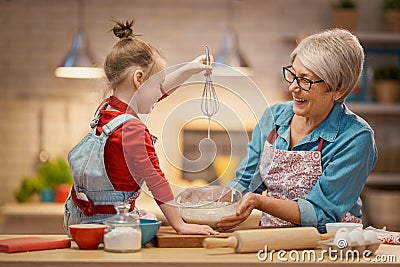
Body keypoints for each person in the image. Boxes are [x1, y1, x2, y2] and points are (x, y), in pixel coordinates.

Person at [64, 19, 218, 235]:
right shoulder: (133, 130)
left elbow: (155, 92)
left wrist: (189, 69)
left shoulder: (106, 110)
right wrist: (180, 224)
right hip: (112, 227)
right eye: (157, 84)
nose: (160, 94)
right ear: (138, 78)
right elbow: (156, 180)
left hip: (82, 222)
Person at [218, 28, 378, 233]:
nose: (293, 87)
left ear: (338, 89)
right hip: (269, 240)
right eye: (293, 75)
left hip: (327, 248)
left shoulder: (355, 138)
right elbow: (247, 181)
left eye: (305, 80)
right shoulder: (274, 117)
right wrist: (216, 203)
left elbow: (322, 214)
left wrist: (260, 202)